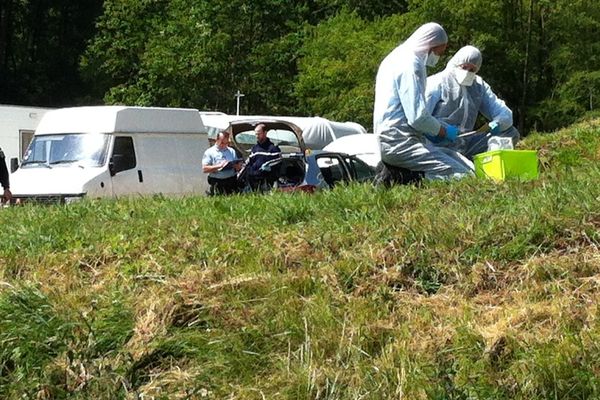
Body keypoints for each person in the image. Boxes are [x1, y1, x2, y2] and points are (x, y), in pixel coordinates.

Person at [373, 22, 473, 184]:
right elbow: (418, 117)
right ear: (429, 45)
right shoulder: (411, 64)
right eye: (437, 52)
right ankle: (402, 178)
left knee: (456, 160)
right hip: (401, 142)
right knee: (463, 176)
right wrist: (443, 131)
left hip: (390, 139)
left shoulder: (394, 58)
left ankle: (395, 171)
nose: (437, 58)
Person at [425, 45, 520, 159]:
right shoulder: (437, 82)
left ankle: (490, 165)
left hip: (467, 144)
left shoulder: (479, 86)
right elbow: (421, 117)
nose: (467, 72)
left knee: (510, 133)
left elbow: (504, 113)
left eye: (472, 70)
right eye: (464, 67)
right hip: (438, 146)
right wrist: (440, 130)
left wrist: (497, 123)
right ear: (456, 63)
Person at [243, 123, 281, 190]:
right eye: (256, 134)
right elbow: (249, 164)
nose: (257, 136)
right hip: (254, 180)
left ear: (265, 133)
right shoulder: (254, 149)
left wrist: (268, 169)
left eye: (259, 134)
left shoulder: (273, 148)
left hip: (267, 182)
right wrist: (251, 173)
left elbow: (278, 165)